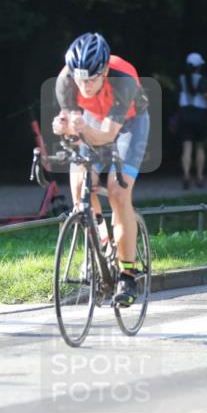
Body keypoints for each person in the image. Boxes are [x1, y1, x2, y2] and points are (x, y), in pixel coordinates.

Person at [51, 32, 150, 307]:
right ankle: (102, 243)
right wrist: (66, 130)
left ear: (105, 70)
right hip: (94, 121)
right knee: (80, 184)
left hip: (129, 123)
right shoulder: (65, 81)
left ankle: (128, 273)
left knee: (118, 191)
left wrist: (80, 128)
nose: (83, 85)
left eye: (91, 79)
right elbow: (74, 135)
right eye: (79, 78)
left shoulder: (123, 79)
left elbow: (106, 136)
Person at [178, 52, 207, 189]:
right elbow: (206, 96)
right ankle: (199, 177)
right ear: (198, 67)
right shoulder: (201, 79)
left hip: (184, 113)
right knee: (199, 146)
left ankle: (186, 175)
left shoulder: (181, 79)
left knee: (186, 147)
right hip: (199, 114)